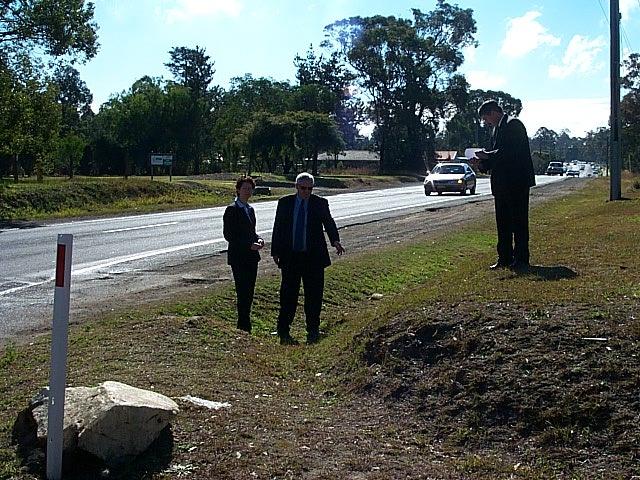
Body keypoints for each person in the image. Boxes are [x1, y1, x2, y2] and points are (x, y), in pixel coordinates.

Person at [271, 172, 345, 345]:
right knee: (288, 295)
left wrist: (335, 241)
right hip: (291, 257)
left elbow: (329, 222)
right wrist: (275, 251)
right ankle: (283, 330)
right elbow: (278, 227)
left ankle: (313, 330)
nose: (306, 192)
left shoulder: (320, 203)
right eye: (303, 188)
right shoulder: (285, 203)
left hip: (313, 258)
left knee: (314, 296)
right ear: (296, 187)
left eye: (310, 189)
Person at [474, 100, 535, 271]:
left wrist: (487, 155)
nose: (486, 122)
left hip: (516, 182)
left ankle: (522, 258)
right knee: (503, 222)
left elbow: (510, 152)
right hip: (501, 184)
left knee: (519, 222)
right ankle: (505, 257)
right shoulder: (496, 130)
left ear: (493, 112)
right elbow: (497, 158)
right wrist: (481, 163)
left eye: (486, 118)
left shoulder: (513, 125)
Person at [223, 176, 264, 333]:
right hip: (239, 258)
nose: (247, 191)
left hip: (252, 258)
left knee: (250, 292)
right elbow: (229, 235)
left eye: (250, 189)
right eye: (245, 188)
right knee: (242, 291)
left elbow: (251, 232)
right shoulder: (232, 210)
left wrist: (259, 239)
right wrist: (248, 245)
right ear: (238, 190)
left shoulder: (249, 209)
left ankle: (246, 324)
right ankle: (243, 327)